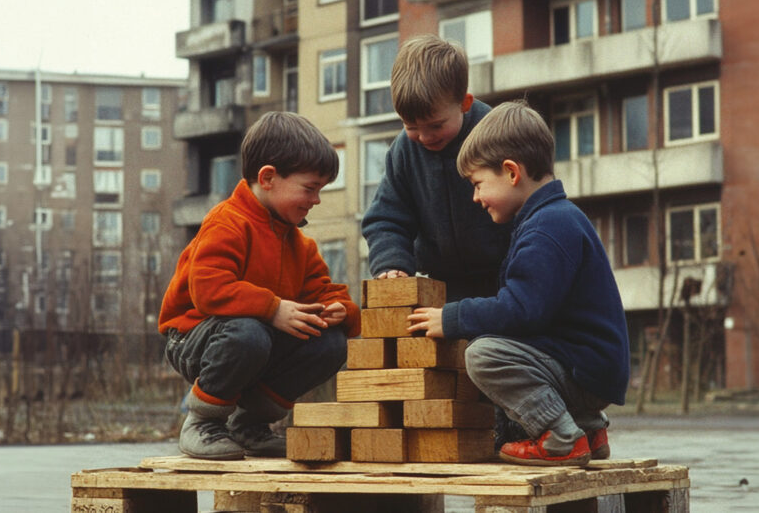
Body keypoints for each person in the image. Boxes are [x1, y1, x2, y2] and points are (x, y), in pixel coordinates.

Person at [406, 101, 630, 466]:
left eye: (478, 184)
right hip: (588, 366)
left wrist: (453, 317)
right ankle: (588, 429)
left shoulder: (546, 227)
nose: (476, 197)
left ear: (511, 172)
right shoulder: (553, 218)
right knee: (500, 342)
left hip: (583, 369)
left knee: (483, 355)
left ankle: (561, 437)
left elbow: (521, 310)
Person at [159, 112, 361, 460]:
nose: (316, 200)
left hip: (254, 339)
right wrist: (274, 308)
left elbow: (324, 290)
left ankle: (249, 424)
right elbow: (208, 289)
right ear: (268, 177)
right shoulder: (227, 223)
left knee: (329, 342)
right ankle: (202, 422)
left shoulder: (299, 244)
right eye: (310, 188)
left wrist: (341, 311)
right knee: (248, 332)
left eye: (320, 190)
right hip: (193, 337)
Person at [361, 34, 511, 304]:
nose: (425, 136)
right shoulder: (403, 152)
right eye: (411, 127)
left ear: (464, 104)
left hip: (505, 279)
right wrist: (391, 263)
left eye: (436, 125)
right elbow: (386, 218)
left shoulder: (498, 135)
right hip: (442, 288)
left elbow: (529, 205)